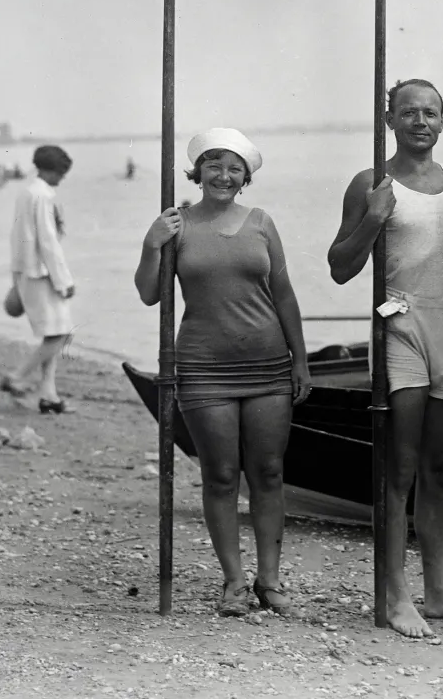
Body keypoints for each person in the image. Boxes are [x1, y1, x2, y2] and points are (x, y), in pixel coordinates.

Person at [327, 78, 443, 639]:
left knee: (441, 468)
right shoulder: (370, 183)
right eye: (409, 112)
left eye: (431, 112)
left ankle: (440, 589)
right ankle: (394, 593)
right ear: (390, 119)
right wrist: (374, 217)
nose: (421, 121)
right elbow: (339, 265)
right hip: (398, 321)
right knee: (399, 466)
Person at [134, 127, 311, 618]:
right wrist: (152, 244)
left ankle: (269, 581)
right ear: (198, 172)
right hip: (203, 368)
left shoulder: (261, 222)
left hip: (269, 364)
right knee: (220, 475)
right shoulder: (178, 225)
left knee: (270, 473)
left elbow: (285, 294)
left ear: (246, 177)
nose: (224, 175)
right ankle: (234, 583)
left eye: (235, 168)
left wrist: (300, 359)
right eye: (214, 165)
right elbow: (150, 293)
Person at [0, 146, 76, 414]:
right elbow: (48, 241)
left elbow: (19, 236)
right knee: (60, 333)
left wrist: (15, 275)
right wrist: (63, 280)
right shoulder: (43, 195)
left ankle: (49, 395)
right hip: (41, 273)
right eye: (60, 173)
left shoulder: (26, 192)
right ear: (50, 170)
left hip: (26, 270)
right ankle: (18, 376)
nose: (61, 179)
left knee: (52, 332)